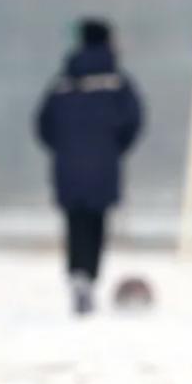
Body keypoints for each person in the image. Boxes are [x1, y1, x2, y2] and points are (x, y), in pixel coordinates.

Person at [35, 18, 143, 314]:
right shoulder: (118, 82)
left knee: (74, 223)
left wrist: (64, 149)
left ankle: (77, 275)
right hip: (104, 166)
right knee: (96, 222)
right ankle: (89, 276)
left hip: (67, 167)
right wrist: (113, 149)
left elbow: (43, 124)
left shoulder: (62, 82)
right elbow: (134, 121)